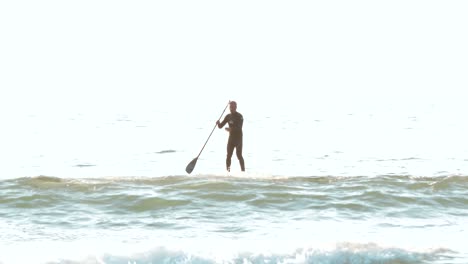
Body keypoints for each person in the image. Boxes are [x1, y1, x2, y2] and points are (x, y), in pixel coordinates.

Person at [216, 101, 245, 172]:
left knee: (239, 155)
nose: (232, 108)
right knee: (228, 156)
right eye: (231, 107)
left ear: (236, 107)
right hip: (231, 138)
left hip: (238, 138)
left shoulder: (239, 116)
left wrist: (231, 129)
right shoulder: (228, 116)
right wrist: (218, 123)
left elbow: (239, 128)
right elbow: (220, 126)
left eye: (233, 107)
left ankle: (243, 171)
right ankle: (228, 171)